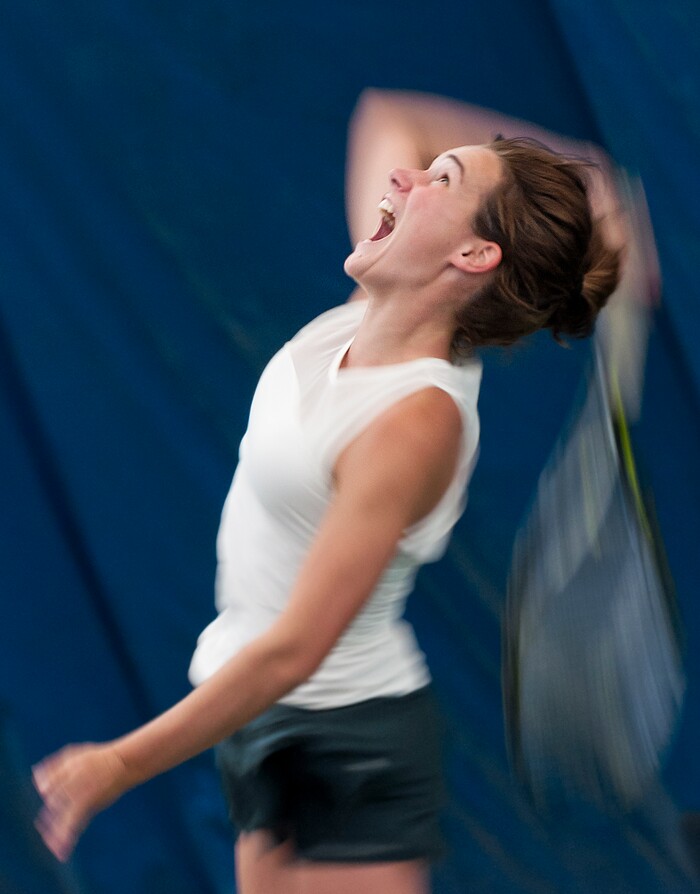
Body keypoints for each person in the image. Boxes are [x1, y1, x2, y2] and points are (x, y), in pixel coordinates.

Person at [32, 89, 622, 894]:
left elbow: (295, 648)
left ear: (473, 257)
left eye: (441, 181)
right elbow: (388, 115)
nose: (407, 178)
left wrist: (118, 763)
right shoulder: (367, 311)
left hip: (344, 744)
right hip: (260, 713)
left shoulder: (414, 424)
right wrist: (601, 184)